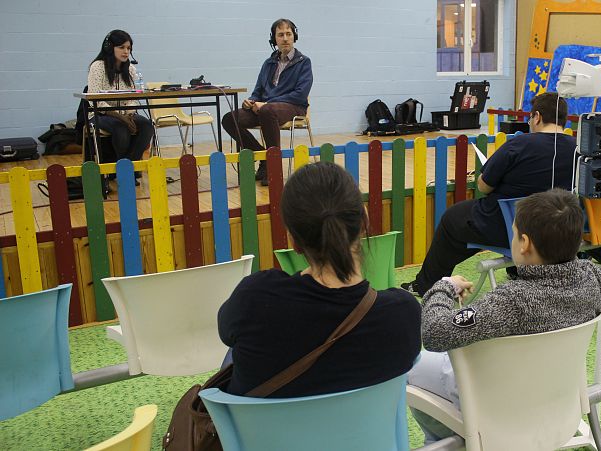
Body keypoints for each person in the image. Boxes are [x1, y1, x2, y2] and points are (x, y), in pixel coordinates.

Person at [407, 189, 601, 443]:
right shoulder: (591, 277)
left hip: (496, 403)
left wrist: (444, 287)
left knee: (412, 365)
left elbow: (435, 333)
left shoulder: (511, 301)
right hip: (556, 397)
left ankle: (445, 442)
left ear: (524, 243)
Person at [217, 162, 420, 396]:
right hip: (367, 422)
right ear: (364, 221)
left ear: (294, 241)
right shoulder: (403, 314)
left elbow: (226, 333)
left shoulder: (254, 299)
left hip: (260, 421)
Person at [401, 92, 577, 297]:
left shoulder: (518, 144)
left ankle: (428, 284)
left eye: (530, 117)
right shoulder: (578, 148)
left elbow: (484, 187)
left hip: (507, 227)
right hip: (557, 229)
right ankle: (517, 270)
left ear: (537, 116)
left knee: (453, 219)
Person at [222, 18, 312, 186]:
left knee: (267, 111)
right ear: (274, 39)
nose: (285, 38)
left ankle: (273, 167)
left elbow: (300, 94)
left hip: (294, 106)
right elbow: (258, 91)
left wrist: (266, 104)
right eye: (280, 35)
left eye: (288, 34)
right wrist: (251, 101)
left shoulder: (304, 62)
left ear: (294, 37)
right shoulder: (268, 63)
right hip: (266, 108)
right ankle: (263, 156)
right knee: (229, 118)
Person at [87, 30, 154, 171]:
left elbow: (132, 98)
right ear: (109, 47)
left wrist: (129, 114)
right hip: (100, 114)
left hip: (125, 114)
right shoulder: (97, 67)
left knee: (147, 126)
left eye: (128, 48)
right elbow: (96, 100)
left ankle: (130, 167)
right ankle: (122, 169)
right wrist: (120, 117)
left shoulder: (130, 69)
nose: (126, 51)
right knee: (120, 127)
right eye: (121, 47)